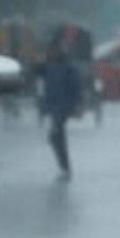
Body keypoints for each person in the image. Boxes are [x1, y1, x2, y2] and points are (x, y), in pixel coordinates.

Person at [37, 34, 83, 181]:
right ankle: (64, 164)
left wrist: (76, 105)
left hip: (63, 107)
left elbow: (76, 88)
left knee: (56, 135)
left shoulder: (67, 69)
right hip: (55, 106)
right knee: (58, 136)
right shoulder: (48, 67)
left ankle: (64, 164)